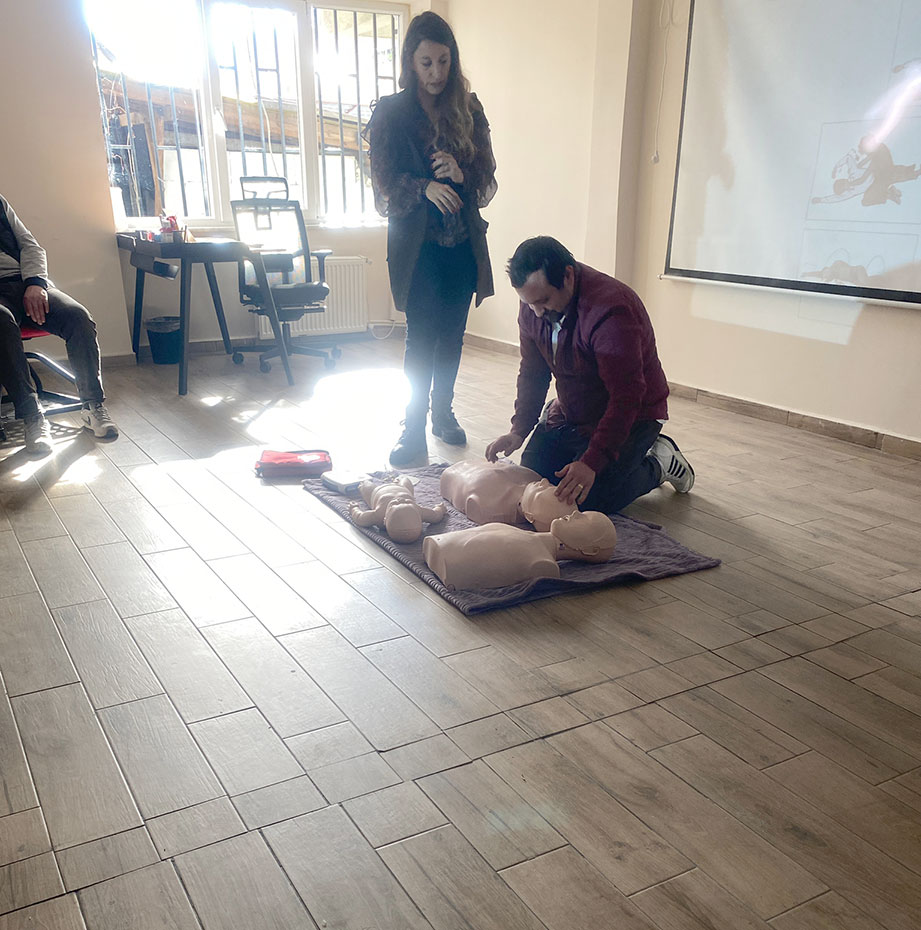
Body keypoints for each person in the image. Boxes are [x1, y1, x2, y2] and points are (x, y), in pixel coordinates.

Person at [363, 11, 497, 467]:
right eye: (427, 63)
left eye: (443, 61)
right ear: (411, 62)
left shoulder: (470, 109)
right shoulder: (392, 112)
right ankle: (412, 428)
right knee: (420, 338)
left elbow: (486, 177)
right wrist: (424, 187)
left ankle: (443, 413)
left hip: (461, 243)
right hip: (417, 247)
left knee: (453, 336)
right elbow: (383, 182)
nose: (437, 73)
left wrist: (461, 172)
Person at [486, 236, 694, 515]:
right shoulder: (534, 303)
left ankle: (659, 463)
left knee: (588, 500)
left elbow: (626, 398)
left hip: (634, 415)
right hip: (573, 410)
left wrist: (592, 462)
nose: (536, 311)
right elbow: (533, 372)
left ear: (568, 276)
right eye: (528, 303)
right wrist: (519, 430)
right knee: (532, 480)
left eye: (543, 301)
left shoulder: (611, 311)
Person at [0, 193, 118, 456]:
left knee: (78, 317)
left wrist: (35, 283)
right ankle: (33, 417)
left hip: (25, 282)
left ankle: (93, 406)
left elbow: (30, 246)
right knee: (2, 323)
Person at [423, 510, 617, 591]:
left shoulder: (543, 565)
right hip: (439, 546)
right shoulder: (525, 537)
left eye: (585, 519)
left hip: (448, 565)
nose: (575, 513)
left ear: (590, 550)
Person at [440, 458, 576, 530]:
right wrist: (516, 433)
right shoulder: (534, 478)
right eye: (550, 486)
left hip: (457, 473)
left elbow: (471, 501)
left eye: (541, 491)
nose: (544, 482)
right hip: (480, 465)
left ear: (529, 516)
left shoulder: (489, 507)